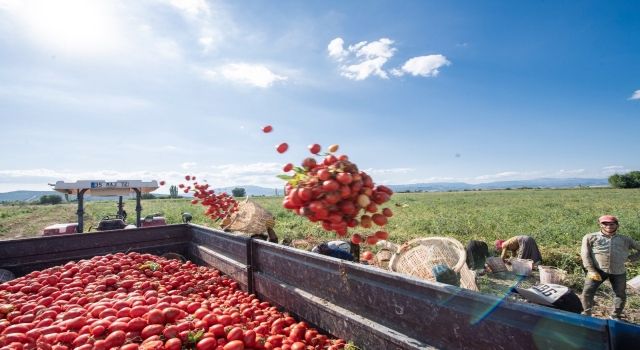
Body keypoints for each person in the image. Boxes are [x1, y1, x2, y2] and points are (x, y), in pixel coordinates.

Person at [580, 215, 640, 319]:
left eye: (612, 224)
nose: (609, 226)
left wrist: (631, 258)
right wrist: (591, 270)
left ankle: (615, 316)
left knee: (620, 294)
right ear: (600, 225)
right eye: (605, 224)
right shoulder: (590, 237)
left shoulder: (625, 239)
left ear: (617, 225)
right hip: (597, 270)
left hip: (618, 271)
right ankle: (586, 314)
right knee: (587, 292)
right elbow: (585, 254)